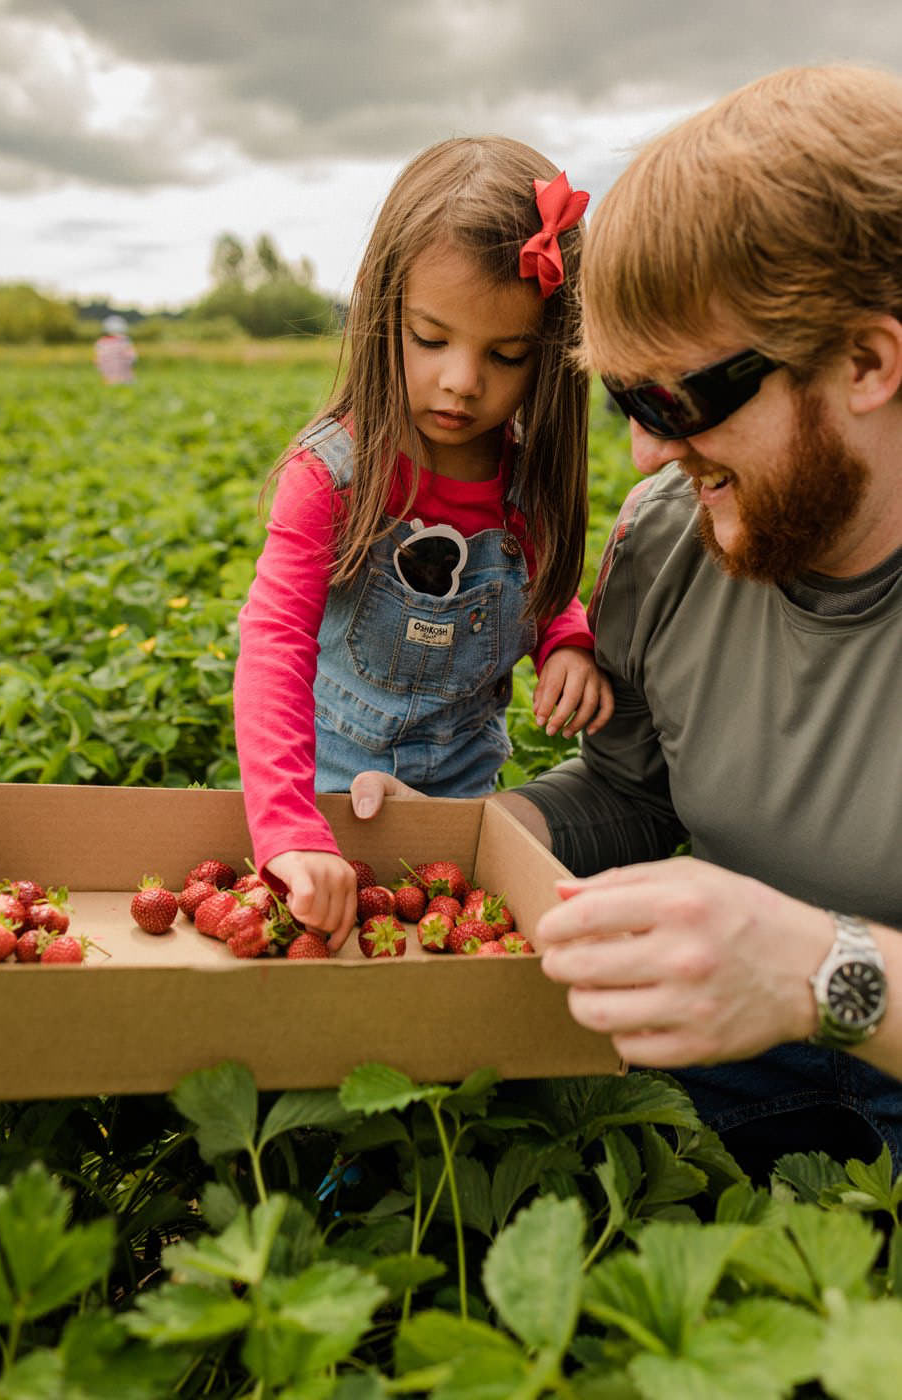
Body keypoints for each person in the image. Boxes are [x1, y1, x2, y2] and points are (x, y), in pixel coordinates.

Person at [350, 64, 902, 1178]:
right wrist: (471, 845)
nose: (647, 451)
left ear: (864, 360)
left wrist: (818, 968)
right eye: (623, 400)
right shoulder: (670, 532)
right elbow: (629, 788)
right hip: (741, 1052)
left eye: (678, 401)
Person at [234, 137, 614, 950]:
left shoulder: (527, 484)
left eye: (505, 354)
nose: (462, 381)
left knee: (436, 970)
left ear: (547, 357)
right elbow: (273, 642)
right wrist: (288, 828)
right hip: (324, 796)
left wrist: (564, 639)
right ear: (383, 315)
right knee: (323, 967)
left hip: (464, 800)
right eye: (431, 338)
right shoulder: (333, 475)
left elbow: (544, 588)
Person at [94, 314, 136, 385]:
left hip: (108, 374)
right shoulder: (124, 341)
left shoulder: (101, 342)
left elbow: (98, 360)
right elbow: (131, 357)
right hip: (124, 373)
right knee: (125, 384)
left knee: (110, 384)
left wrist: (100, 367)